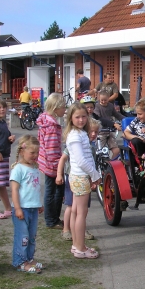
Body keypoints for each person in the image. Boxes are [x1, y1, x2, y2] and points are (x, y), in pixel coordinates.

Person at [64, 103, 101, 259]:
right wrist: (95, 174)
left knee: (75, 211)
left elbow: (86, 157)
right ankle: (80, 248)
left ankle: (76, 244)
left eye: (84, 116)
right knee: (81, 213)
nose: (81, 120)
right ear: (71, 118)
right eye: (77, 117)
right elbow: (81, 160)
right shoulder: (75, 136)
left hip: (79, 176)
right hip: (80, 177)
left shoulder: (79, 133)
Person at [56, 118, 99, 242]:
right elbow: (63, 158)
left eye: (96, 132)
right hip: (75, 177)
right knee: (71, 206)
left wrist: (93, 178)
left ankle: (80, 230)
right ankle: (66, 229)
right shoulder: (75, 142)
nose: (93, 134)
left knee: (82, 208)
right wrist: (59, 174)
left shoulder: (91, 146)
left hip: (86, 178)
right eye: (91, 131)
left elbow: (92, 163)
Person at [10, 135, 45, 273]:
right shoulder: (18, 169)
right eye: (32, 152)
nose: (35, 155)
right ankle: (20, 261)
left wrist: (39, 203)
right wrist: (17, 208)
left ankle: (29, 258)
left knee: (31, 236)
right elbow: (14, 190)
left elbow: (35, 188)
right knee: (22, 236)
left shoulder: (35, 168)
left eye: (37, 152)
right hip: (22, 209)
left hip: (33, 208)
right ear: (22, 151)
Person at [36, 92, 67, 229]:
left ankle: (53, 218)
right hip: (52, 164)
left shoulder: (44, 121)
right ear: (55, 108)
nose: (65, 110)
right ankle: (52, 220)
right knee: (54, 192)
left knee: (51, 191)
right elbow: (52, 148)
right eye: (63, 107)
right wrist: (58, 167)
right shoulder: (52, 126)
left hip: (45, 161)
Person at [0, 97, 15, 219]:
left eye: (4, 107)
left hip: (4, 156)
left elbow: (5, 136)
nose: (2, 110)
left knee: (2, 184)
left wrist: (10, 139)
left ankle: (7, 208)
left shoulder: (3, 122)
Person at [94, 89, 124, 159]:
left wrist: (125, 119)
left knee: (117, 151)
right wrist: (112, 123)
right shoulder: (97, 106)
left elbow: (116, 114)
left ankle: (110, 164)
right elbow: (98, 118)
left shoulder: (110, 105)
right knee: (101, 152)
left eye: (105, 100)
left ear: (108, 98)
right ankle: (99, 163)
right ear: (99, 99)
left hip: (110, 131)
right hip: (101, 131)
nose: (103, 102)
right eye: (102, 100)